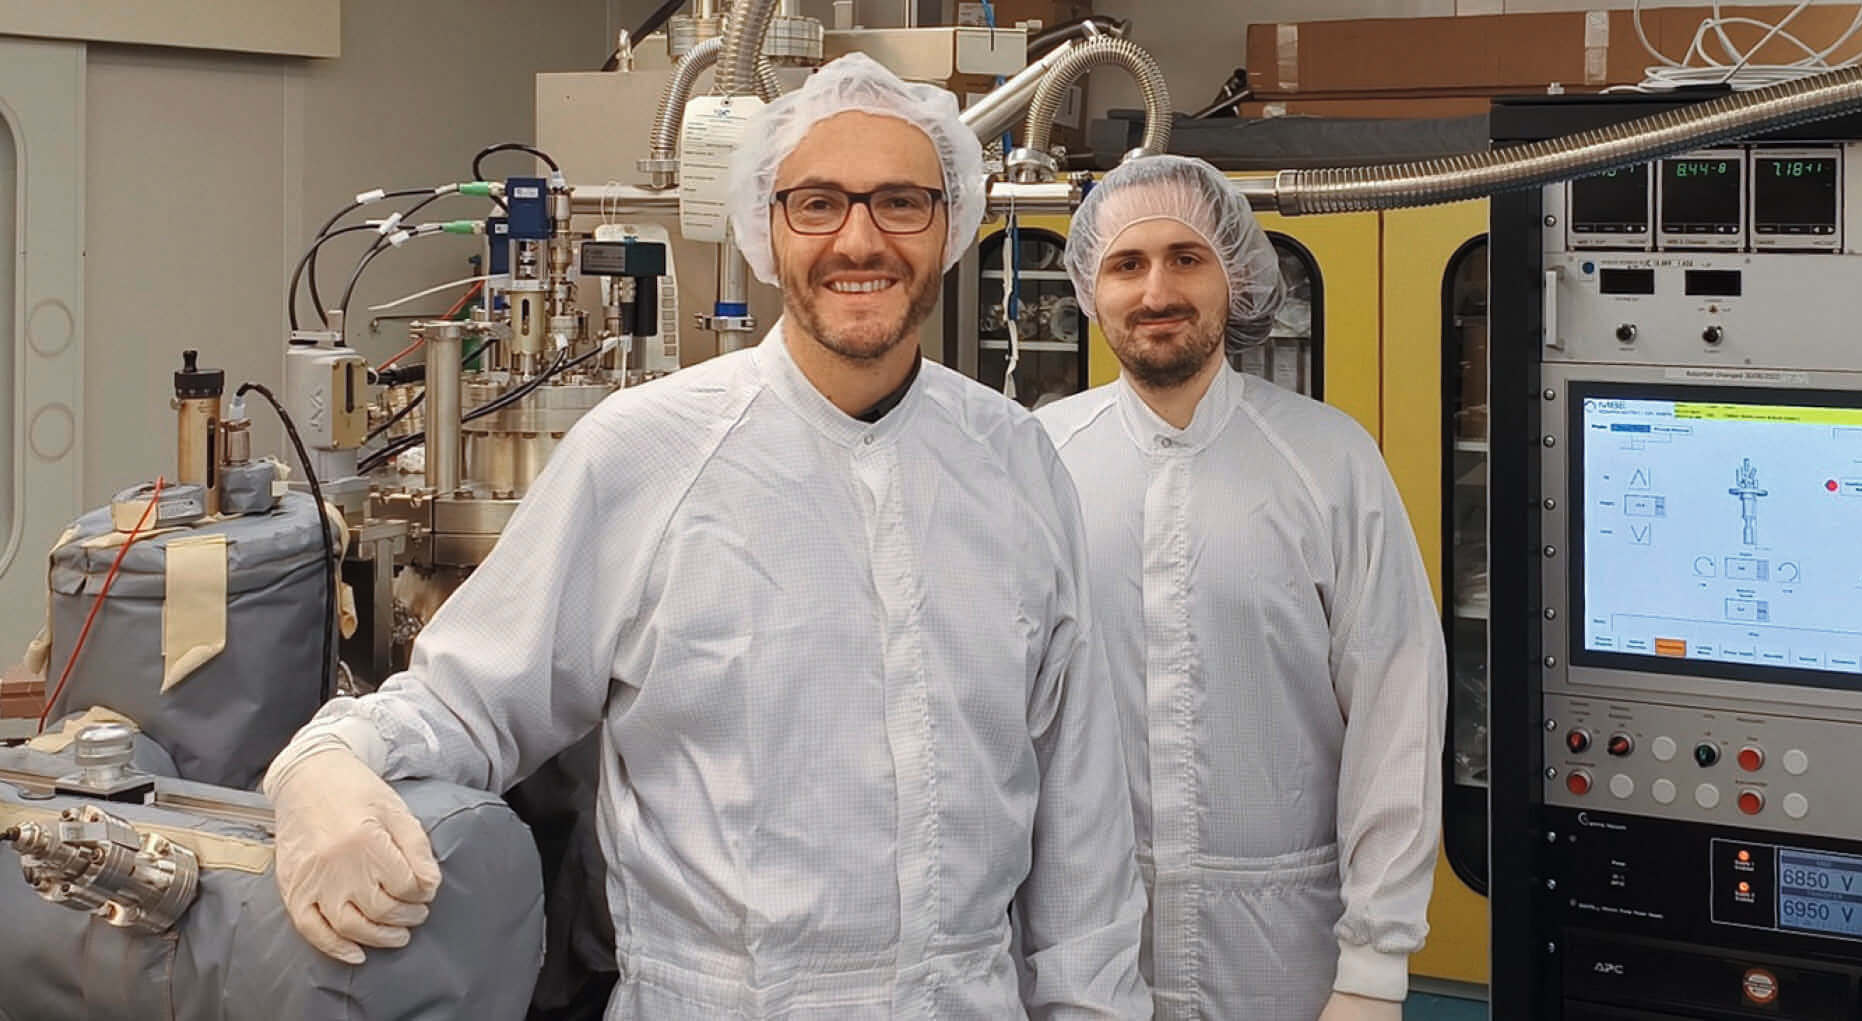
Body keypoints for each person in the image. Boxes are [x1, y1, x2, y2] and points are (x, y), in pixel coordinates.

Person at [262, 53, 1149, 1018]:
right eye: (818, 203)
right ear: (768, 228)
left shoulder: (1014, 462)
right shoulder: (643, 456)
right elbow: (474, 700)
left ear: (950, 228)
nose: (861, 238)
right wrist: (326, 763)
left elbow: (1083, 819)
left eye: (902, 202)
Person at [1035, 154, 1446, 1021]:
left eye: (1187, 257)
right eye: (1126, 264)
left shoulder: (1328, 459)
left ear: (1237, 275)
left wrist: (1375, 962)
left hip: (1284, 955)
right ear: (1089, 287)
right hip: (1084, 954)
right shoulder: (1039, 462)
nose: (1156, 291)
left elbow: (1398, 707)